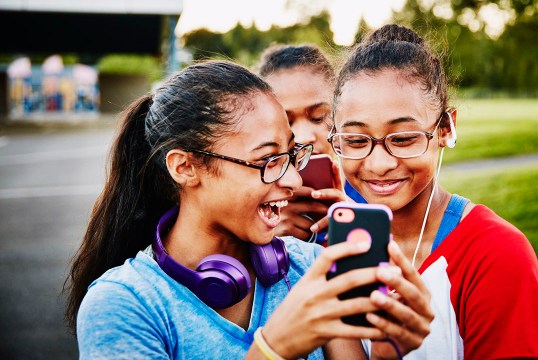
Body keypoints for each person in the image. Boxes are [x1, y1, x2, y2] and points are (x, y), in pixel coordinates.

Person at [64, 60, 434, 359]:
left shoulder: (309, 269)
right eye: (268, 160)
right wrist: (273, 349)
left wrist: (385, 355)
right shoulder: (125, 304)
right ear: (185, 167)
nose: (292, 179)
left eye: (290, 155)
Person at [329, 24, 538, 359]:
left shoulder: (495, 253)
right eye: (355, 140)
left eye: (403, 138)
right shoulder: (327, 245)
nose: (378, 163)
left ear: (445, 128)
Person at [257, 45, 365, 245]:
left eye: (318, 117)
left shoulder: (371, 191)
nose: (304, 137)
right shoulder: (254, 206)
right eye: (286, 122)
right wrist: (268, 240)